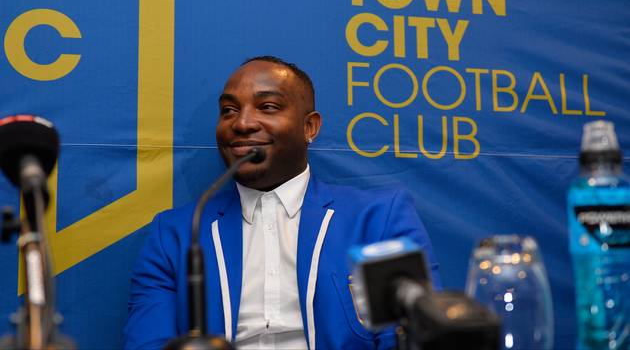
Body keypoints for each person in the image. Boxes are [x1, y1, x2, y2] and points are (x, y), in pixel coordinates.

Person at [123, 56, 441, 350]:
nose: (242, 123)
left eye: (268, 107)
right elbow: (148, 343)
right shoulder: (178, 233)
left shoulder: (377, 219)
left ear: (309, 127)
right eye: (229, 111)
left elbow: (409, 337)